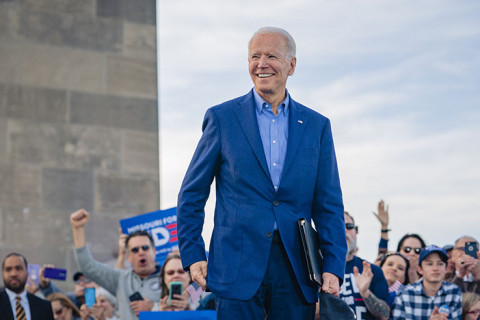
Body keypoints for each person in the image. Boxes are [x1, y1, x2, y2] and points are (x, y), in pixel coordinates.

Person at [177, 26, 347, 320]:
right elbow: (192, 194)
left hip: (296, 268)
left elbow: (329, 204)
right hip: (235, 265)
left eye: (271, 55)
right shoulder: (222, 118)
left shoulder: (318, 126)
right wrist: (193, 255)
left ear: (292, 65)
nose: (261, 63)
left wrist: (334, 265)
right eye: (254, 56)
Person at [70, 208, 161, 320]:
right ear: (128, 257)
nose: (141, 252)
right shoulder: (120, 279)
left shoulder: (169, 277)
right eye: (135, 250)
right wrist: (78, 229)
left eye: (145, 248)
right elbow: (87, 266)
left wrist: (154, 308)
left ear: (154, 252)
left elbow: (184, 308)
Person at [339, 212, 391, 320]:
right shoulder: (317, 271)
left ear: (356, 231)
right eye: (339, 225)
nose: (344, 230)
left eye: (349, 226)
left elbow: (385, 314)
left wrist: (365, 292)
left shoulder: (372, 271)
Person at [392, 245, 463, 320]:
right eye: (429, 264)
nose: (435, 268)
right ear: (420, 269)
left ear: (446, 268)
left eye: (440, 264)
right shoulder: (404, 294)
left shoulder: (454, 292)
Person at [0, 252, 54, 320]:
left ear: (27, 273)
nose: (13, 274)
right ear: (2, 274)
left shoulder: (44, 306)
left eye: (18, 268)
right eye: (8, 269)